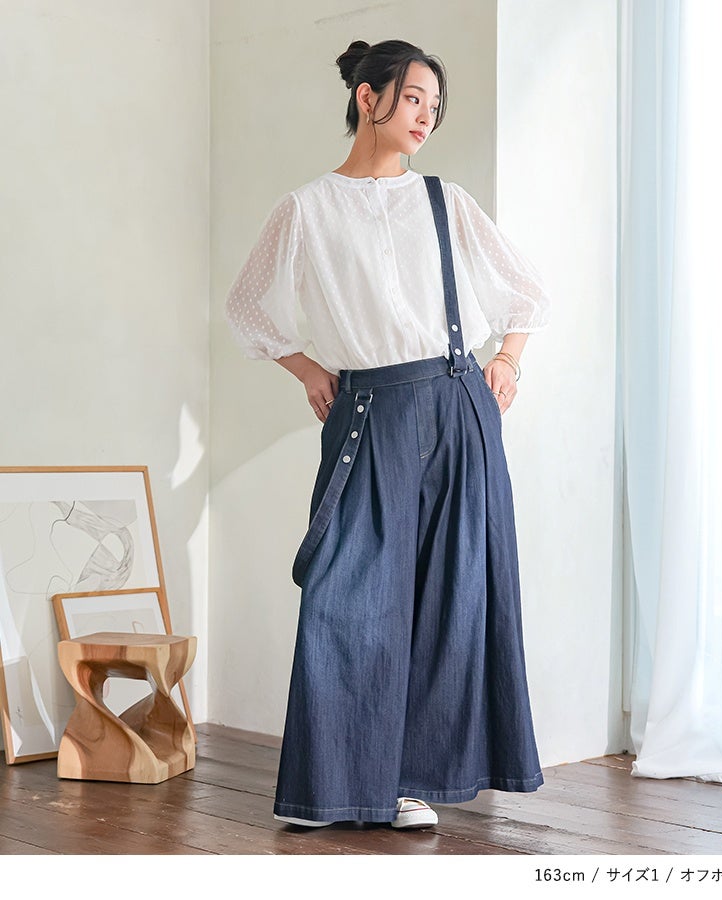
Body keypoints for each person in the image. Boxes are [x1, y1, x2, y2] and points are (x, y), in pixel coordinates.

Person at [225, 39, 551, 830]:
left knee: (447, 600)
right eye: (413, 99)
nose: (425, 117)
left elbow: (526, 294)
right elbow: (247, 306)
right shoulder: (306, 209)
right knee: (345, 594)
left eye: (435, 107)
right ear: (367, 98)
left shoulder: (445, 201)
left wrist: (507, 360)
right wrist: (307, 368)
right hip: (369, 412)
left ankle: (408, 782)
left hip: (458, 406)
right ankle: (332, 785)